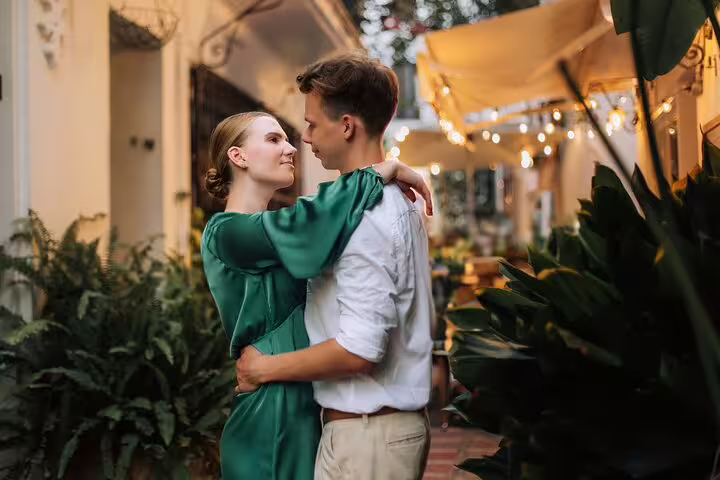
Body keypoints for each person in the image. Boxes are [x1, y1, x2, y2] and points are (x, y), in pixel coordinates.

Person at [201, 110, 432, 480]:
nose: (292, 147)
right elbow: (312, 221)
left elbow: (318, 221)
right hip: (272, 407)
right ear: (238, 156)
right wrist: (380, 171)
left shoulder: (286, 229)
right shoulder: (225, 233)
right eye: (274, 139)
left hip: (302, 398)